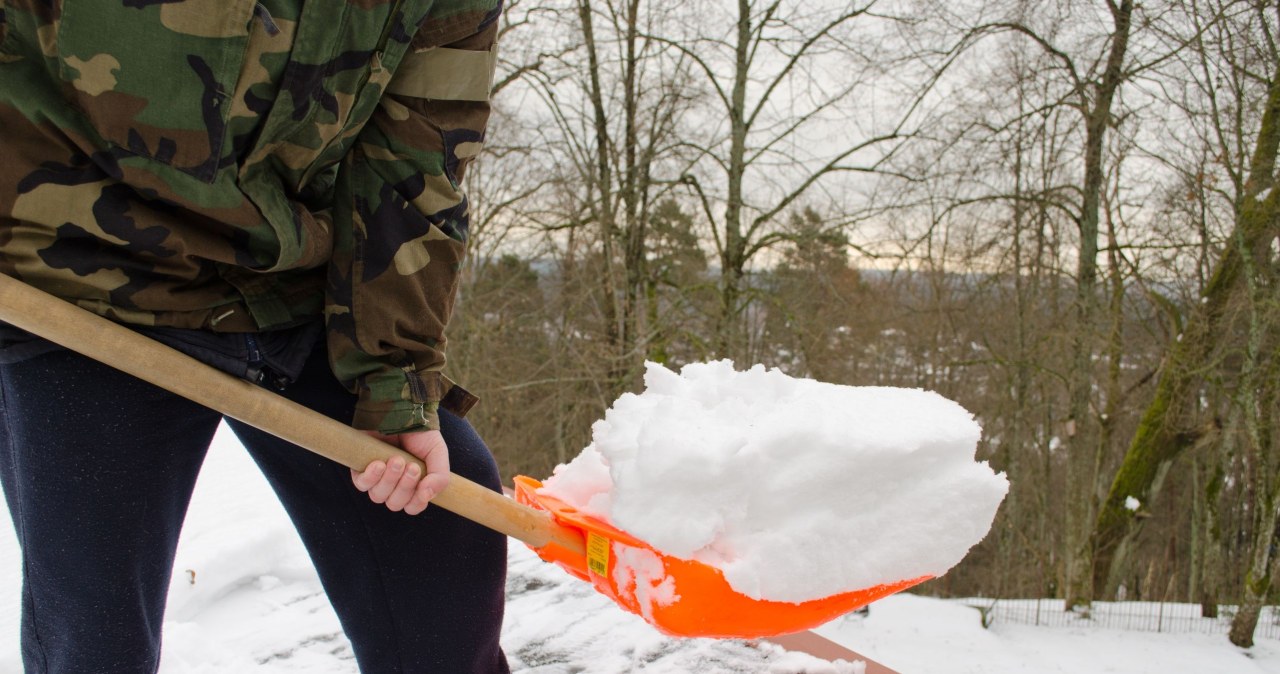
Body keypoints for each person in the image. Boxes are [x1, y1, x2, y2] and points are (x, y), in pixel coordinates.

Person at [0, 1, 509, 671]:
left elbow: (412, 167)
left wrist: (393, 383)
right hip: (82, 279)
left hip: (294, 280)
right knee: (96, 633)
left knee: (442, 542)